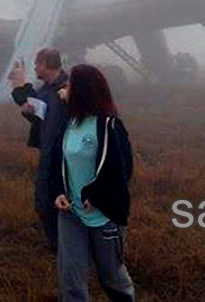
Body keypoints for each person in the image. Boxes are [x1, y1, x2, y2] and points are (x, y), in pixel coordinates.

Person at [47, 64, 135, 301]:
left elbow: (121, 171)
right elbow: (57, 165)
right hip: (70, 214)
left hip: (103, 215)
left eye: (71, 84)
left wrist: (95, 195)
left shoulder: (109, 126)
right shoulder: (69, 124)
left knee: (112, 278)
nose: (66, 87)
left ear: (83, 89)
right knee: (71, 281)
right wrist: (57, 192)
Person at [9, 48, 69, 252]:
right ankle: (58, 247)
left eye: (37, 63)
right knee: (44, 202)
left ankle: (71, 247)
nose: (35, 67)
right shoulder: (45, 90)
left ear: (44, 64)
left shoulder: (70, 87)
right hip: (47, 154)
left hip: (66, 157)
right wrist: (28, 111)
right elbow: (42, 116)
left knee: (65, 203)